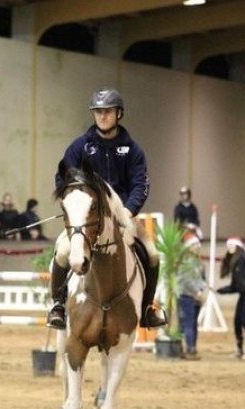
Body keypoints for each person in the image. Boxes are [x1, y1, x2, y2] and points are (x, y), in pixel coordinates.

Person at [47, 88, 167, 330]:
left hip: (122, 217)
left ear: (118, 114)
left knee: (152, 254)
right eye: (98, 112)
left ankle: (146, 309)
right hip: (87, 219)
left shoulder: (133, 151)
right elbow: (63, 179)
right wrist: (74, 204)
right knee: (62, 252)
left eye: (108, 112)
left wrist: (128, 211)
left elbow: (140, 185)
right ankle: (58, 306)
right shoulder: (79, 147)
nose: (102, 116)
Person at [217, 237, 245, 359]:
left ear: (237, 246)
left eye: (230, 245)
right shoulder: (235, 263)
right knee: (237, 322)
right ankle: (239, 349)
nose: (228, 248)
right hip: (243, 294)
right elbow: (235, 286)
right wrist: (221, 290)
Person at [177, 234, 206, 360]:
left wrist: (203, 288)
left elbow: (200, 278)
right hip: (187, 295)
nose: (198, 247)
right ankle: (189, 348)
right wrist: (196, 291)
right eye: (195, 245)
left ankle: (192, 347)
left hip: (196, 296)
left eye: (198, 245)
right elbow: (186, 280)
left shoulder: (197, 261)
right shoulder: (186, 261)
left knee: (193, 323)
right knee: (189, 323)